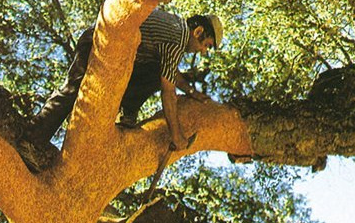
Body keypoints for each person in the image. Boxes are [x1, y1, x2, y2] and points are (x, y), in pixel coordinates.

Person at [26, 9, 223, 151]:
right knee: (75, 91)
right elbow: (168, 91)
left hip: (115, 56)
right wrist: (177, 136)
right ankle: (31, 140)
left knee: (159, 72)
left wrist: (192, 92)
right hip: (98, 43)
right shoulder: (178, 39)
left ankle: (127, 113)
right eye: (205, 45)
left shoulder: (175, 29)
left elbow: (169, 74)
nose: (203, 51)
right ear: (198, 32)